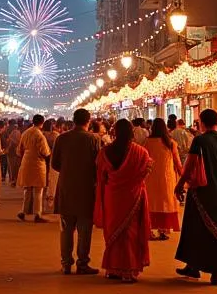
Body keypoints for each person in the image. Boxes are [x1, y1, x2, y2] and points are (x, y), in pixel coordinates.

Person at [176, 108, 217, 285]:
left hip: (201, 192)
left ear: (201, 122)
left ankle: (193, 266)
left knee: (195, 228)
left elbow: (191, 165)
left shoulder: (200, 140)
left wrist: (180, 183)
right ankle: (216, 272)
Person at [94, 118, 152, 282]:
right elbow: (144, 174)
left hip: (112, 197)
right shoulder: (141, 152)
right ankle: (128, 270)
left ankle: (113, 269)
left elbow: (101, 176)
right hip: (133, 196)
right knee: (130, 234)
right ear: (131, 133)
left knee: (113, 232)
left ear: (115, 132)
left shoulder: (105, 152)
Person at [51, 108, 101, 275]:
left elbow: (55, 164)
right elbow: (98, 165)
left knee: (66, 229)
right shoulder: (93, 139)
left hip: (66, 188)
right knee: (84, 229)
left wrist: (68, 171)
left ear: (73, 120)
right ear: (88, 121)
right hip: (86, 188)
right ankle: (82, 263)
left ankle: (66, 263)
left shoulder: (62, 138)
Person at [145, 117, 182, 240]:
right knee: (165, 202)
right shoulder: (170, 143)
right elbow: (177, 162)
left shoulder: (147, 142)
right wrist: (183, 176)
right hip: (167, 177)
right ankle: (163, 230)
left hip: (150, 178)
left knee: (151, 203)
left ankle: (149, 230)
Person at [16, 114, 50, 222]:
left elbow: (19, 150)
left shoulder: (26, 133)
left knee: (27, 189)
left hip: (26, 161)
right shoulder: (39, 135)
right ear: (42, 123)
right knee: (38, 190)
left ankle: (23, 211)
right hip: (37, 163)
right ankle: (37, 214)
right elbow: (45, 152)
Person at [5, 120, 22, 185]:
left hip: (10, 151)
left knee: (11, 166)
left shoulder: (7, 130)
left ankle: (12, 179)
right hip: (15, 151)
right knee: (15, 166)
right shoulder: (17, 132)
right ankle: (14, 179)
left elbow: (7, 141)